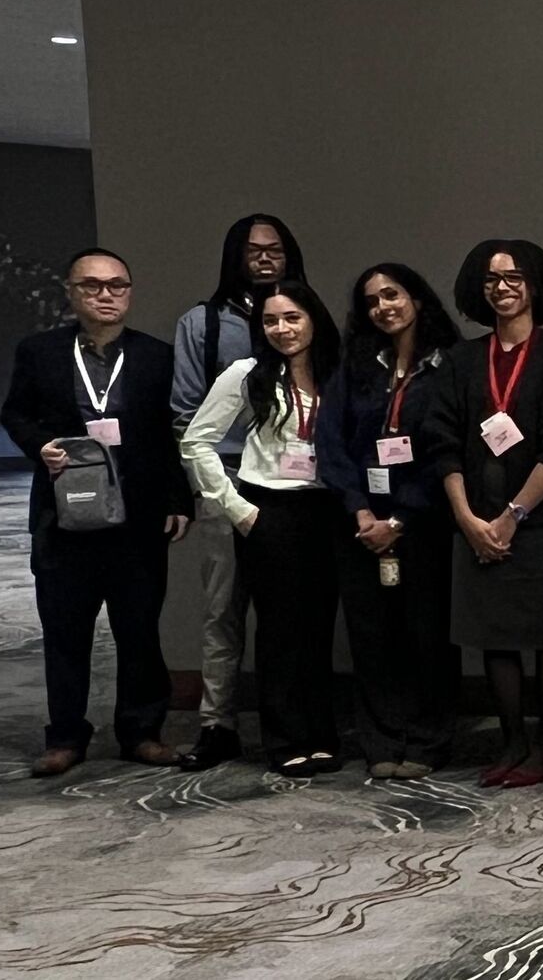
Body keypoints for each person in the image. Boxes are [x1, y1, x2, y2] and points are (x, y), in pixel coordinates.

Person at [1, 249, 192, 777]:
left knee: (140, 630)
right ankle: (64, 736)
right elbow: (14, 413)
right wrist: (40, 445)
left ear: (130, 291)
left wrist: (179, 500)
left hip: (138, 518)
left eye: (117, 285)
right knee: (65, 631)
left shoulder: (157, 356)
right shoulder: (39, 352)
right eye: (92, 286)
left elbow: (168, 436)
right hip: (65, 518)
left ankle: (141, 731)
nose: (106, 295)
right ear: (71, 292)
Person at [423, 240, 543, 789]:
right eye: (491, 279)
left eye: (513, 277)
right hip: (473, 521)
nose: (502, 287)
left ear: (535, 285)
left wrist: (513, 515)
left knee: (542, 634)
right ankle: (511, 740)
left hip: (535, 522)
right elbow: (441, 440)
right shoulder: (463, 360)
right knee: (492, 635)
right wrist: (468, 518)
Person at [180, 279, 343, 776]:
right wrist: (237, 508)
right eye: (271, 320)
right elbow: (195, 442)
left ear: (313, 317)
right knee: (278, 633)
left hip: (326, 509)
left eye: (292, 317)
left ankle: (320, 735)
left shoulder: (337, 371)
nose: (282, 329)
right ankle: (285, 740)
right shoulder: (246, 373)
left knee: (318, 630)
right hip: (267, 509)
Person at [315, 264, 463, 780]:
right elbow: (330, 444)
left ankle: (427, 739)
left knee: (425, 635)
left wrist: (399, 518)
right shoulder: (355, 366)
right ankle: (380, 741)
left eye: (393, 294)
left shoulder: (449, 366)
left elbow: (449, 449)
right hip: (358, 525)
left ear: (417, 298)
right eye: (372, 300)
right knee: (371, 637)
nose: (384, 307)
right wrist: (360, 510)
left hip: (423, 524)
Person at [170, 212, 305, 773]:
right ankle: (216, 724)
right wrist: (216, 494)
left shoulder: (304, 316)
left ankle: (295, 727)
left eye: (275, 249)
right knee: (223, 609)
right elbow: (185, 417)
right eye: (253, 250)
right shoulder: (202, 323)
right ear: (235, 256)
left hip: (293, 490)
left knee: (290, 613)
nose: (265, 258)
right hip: (226, 486)